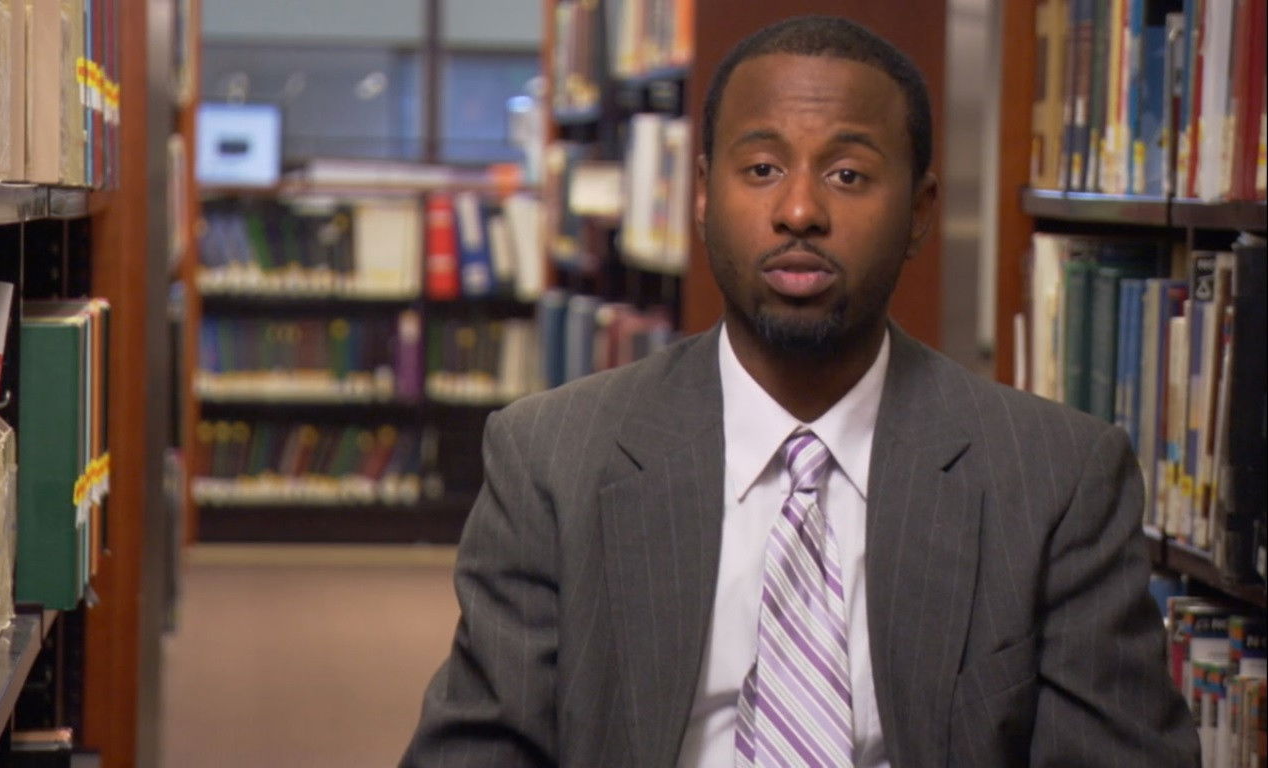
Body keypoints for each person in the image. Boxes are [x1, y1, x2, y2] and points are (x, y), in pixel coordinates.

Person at [401, 15, 1199, 768]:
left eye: (848, 174)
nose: (799, 210)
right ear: (703, 194)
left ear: (920, 211)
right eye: (762, 169)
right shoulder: (552, 458)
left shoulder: (1055, 477)